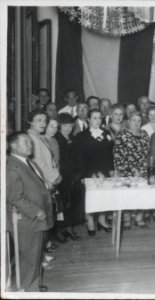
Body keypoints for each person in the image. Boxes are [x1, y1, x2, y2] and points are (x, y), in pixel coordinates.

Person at [6, 132, 53, 292]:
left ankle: (33, 284)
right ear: (13, 146)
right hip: (27, 220)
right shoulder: (12, 167)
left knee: (35, 256)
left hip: (35, 220)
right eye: (26, 142)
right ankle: (28, 290)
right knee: (29, 258)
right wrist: (36, 211)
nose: (30, 145)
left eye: (30, 142)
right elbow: (14, 197)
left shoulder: (26, 162)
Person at [74, 109, 114, 236]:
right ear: (89, 120)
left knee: (103, 196)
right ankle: (90, 222)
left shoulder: (106, 133)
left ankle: (102, 220)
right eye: (94, 118)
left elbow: (110, 154)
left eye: (99, 118)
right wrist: (86, 173)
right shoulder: (81, 136)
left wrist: (110, 170)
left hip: (105, 170)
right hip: (89, 172)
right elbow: (79, 158)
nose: (97, 121)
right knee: (90, 198)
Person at [114, 112, 151, 230]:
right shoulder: (122, 135)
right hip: (127, 171)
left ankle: (139, 218)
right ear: (128, 121)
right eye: (134, 120)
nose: (136, 123)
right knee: (128, 195)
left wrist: (144, 169)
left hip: (143, 171)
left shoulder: (145, 134)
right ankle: (127, 219)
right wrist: (131, 169)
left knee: (142, 195)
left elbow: (148, 153)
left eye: (139, 121)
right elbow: (118, 155)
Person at [55, 113, 82, 240]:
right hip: (61, 177)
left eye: (70, 125)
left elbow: (79, 158)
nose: (68, 128)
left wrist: (78, 174)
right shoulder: (56, 139)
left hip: (74, 176)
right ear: (60, 126)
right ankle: (60, 229)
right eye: (65, 126)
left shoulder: (74, 138)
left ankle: (69, 227)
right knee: (62, 204)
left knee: (73, 203)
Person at [27, 110, 61, 188]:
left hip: (47, 181)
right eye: (39, 120)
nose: (43, 123)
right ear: (30, 122)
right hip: (41, 182)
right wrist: (54, 177)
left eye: (45, 121)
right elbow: (38, 162)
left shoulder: (39, 137)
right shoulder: (30, 138)